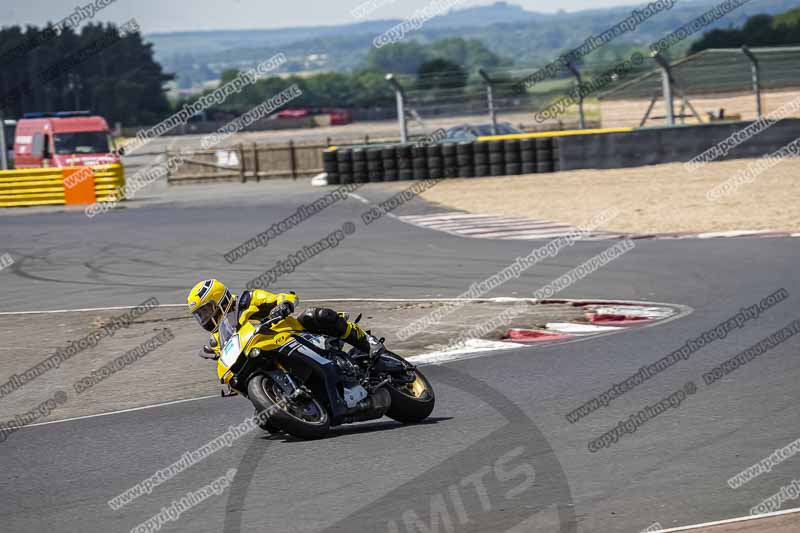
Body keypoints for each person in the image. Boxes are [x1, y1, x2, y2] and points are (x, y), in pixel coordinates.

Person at [186, 279, 378, 358]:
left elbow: (282, 297)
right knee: (265, 422)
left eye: (206, 311)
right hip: (264, 357)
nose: (205, 318)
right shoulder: (219, 338)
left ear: (219, 299)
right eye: (200, 316)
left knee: (317, 315)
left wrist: (283, 304)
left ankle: (367, 343)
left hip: (291, 335)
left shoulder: (247, 300)